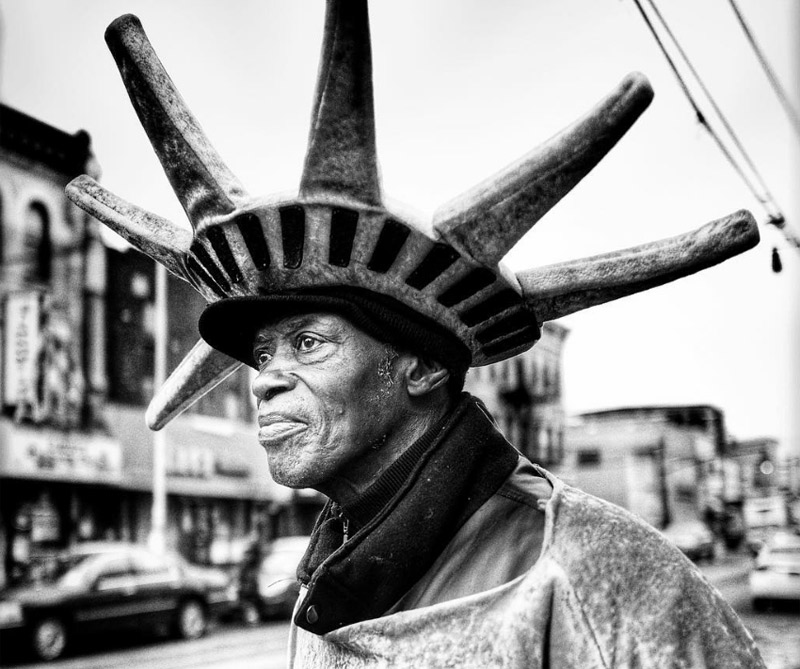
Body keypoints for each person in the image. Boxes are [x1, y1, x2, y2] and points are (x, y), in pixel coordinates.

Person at [67, 2, 766, 666]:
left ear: (424, 366)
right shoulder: (331, 574)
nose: (264, 378)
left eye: (308, 342)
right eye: (261, 352)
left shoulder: (598, 576)